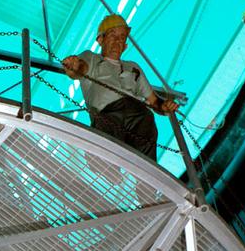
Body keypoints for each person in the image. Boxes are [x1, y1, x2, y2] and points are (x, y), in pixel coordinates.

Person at [62, 14, 179, 159]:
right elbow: (81, 68)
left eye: (122, 37)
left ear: (125, 45)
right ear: (100, 39)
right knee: (106, 132)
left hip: (136, 112)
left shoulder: (133, 68)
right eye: (113, 35)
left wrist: (164, 107)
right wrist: (73, 67)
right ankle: (105, 166)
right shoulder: (91, 58)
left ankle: (143, 176)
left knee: (146, 120)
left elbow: (153, 101)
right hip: (107, 113)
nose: (118, 40)